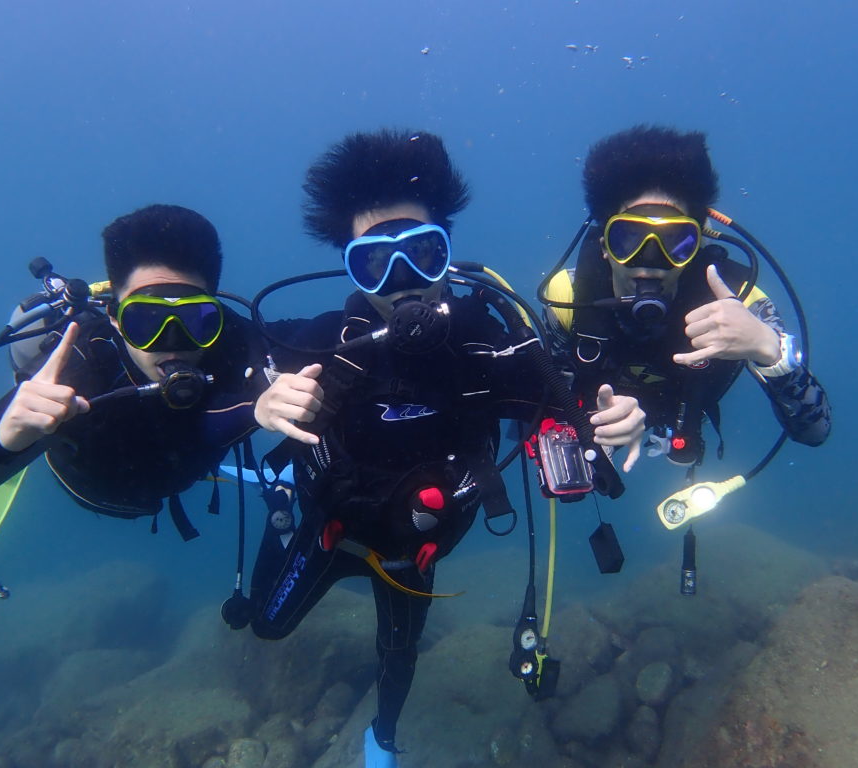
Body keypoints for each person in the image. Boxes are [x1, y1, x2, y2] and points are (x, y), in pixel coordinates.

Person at [249, 128, 642, 766]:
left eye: (421, 254)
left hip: (415, 548)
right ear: (349, 267)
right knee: (267, 625)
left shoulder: (490, 345)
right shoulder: (322, 343)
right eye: (374, 263)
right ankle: (281, 512)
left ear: (447, 253)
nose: (401, 280)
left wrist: (614, 416)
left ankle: (383, 737)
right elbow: (230, 353)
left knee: (398, 653)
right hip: (330, 526)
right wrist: (262, 400)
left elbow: (567, 404)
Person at [0, 204, 275, 541]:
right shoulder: (76, 373)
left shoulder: (238, 342)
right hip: (94, 488)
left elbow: (310, 337)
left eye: (195, 318)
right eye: (145, 320)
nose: (172, 343)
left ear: (216, 315)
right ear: (114, 318)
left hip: (178, 469)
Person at [543, 125, 830, 481]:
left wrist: (769, 351)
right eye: (628, 238)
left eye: (675, 241)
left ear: (696, 248)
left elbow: (814, 433)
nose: (649, 259)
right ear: (604, 246)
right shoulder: (569, 298)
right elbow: (548, 409)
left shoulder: (739, 301)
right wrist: (592, 425)